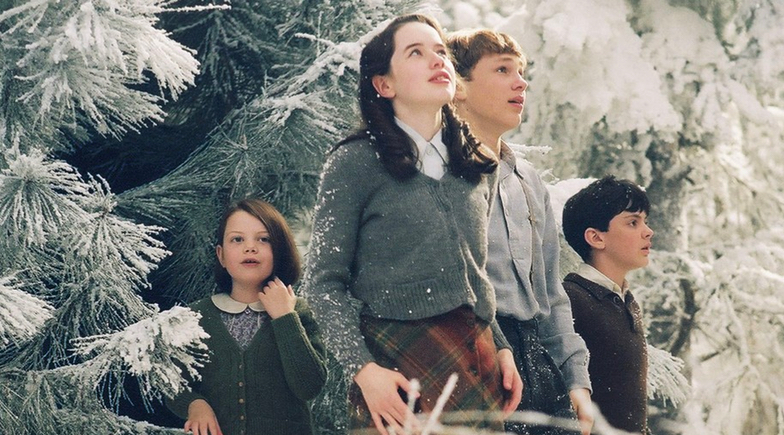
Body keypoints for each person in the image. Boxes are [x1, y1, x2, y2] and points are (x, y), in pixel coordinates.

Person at [300, 13, 522, 435]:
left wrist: (504, 348)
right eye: (416, 53)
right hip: (398, 370)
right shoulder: (353, 163)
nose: (437, 59)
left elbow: (477, 277)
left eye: (440, 51)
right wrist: (365, 372)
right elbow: (322, 284)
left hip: (483, 365)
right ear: (384, 85)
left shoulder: (478, 166)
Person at [447, 29, 594, 435]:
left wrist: (576, 382)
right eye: (502, 69)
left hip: (537, 360)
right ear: (458, 87)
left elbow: (550, 296)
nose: (521, 82)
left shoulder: (527, 180)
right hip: (469, 352)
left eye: (522, 71)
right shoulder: (441, 173)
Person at [167, 198, 328, 435]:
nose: (250, 247)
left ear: (279, 250)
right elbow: (171, 382)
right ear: (221, 256)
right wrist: (194, 404)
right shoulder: (194, 317)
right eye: (237, 239)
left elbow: (309, 386)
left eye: (263, 239)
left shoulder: (298, 313)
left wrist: (285, 317)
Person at [560, 176, 653, 434]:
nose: (648, 231)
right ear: (596, 238)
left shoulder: (627, 302)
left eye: (645, 221)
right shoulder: (570, 299)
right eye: (633, 222)